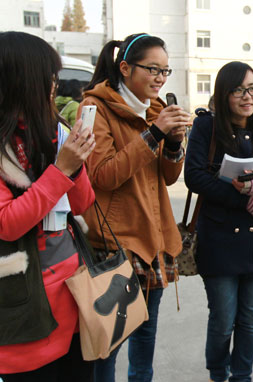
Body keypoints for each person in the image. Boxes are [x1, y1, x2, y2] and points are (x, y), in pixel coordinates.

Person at [78, 33, 189, 382]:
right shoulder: (94, 109)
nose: (160, 78)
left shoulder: (156, 111)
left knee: (146, 336)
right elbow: (102, 175)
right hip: (118, 245)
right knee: (109, 344)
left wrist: (173, 143)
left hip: (154, 240)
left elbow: (169, 178)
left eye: (165, 71)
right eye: (152, 69)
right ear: (125, 68)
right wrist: (155, 134)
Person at [0, 31, 96, 381]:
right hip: (24, 301)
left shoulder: (51, 129)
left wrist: (77, 158)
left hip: (73, 292)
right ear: (22, 80)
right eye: (49, 78)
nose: (54, 87)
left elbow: (83, 203)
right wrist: (62, 169)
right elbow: (8, 223)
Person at [184, 61, 253, 382]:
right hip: (219, 239)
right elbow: (194, 177)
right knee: (223, 319)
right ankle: (218, 373)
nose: (248, 96)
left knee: (251, 318)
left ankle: (241, 375)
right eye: (239, 90)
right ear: (224, 93)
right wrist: (243, 198)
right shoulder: (206, 127)